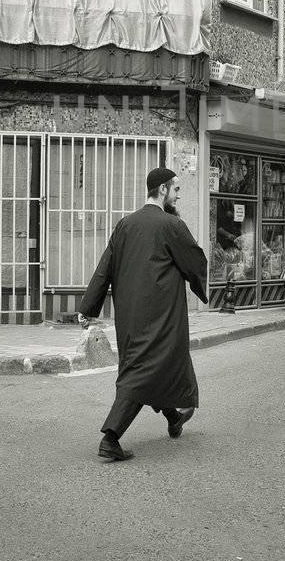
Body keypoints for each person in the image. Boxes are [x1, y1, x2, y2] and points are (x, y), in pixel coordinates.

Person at [79, 166, 209, 462]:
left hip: (130, 314)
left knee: (157, 364)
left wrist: (88, 308)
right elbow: (194, 261)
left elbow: (105, 267)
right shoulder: (171, 225)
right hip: (161, 315)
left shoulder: (126, 224)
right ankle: (111, 437)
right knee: (145, 370)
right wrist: (199, 284)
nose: (178, 195)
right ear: (162, 189)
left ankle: (174, 417)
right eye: (176, 189)